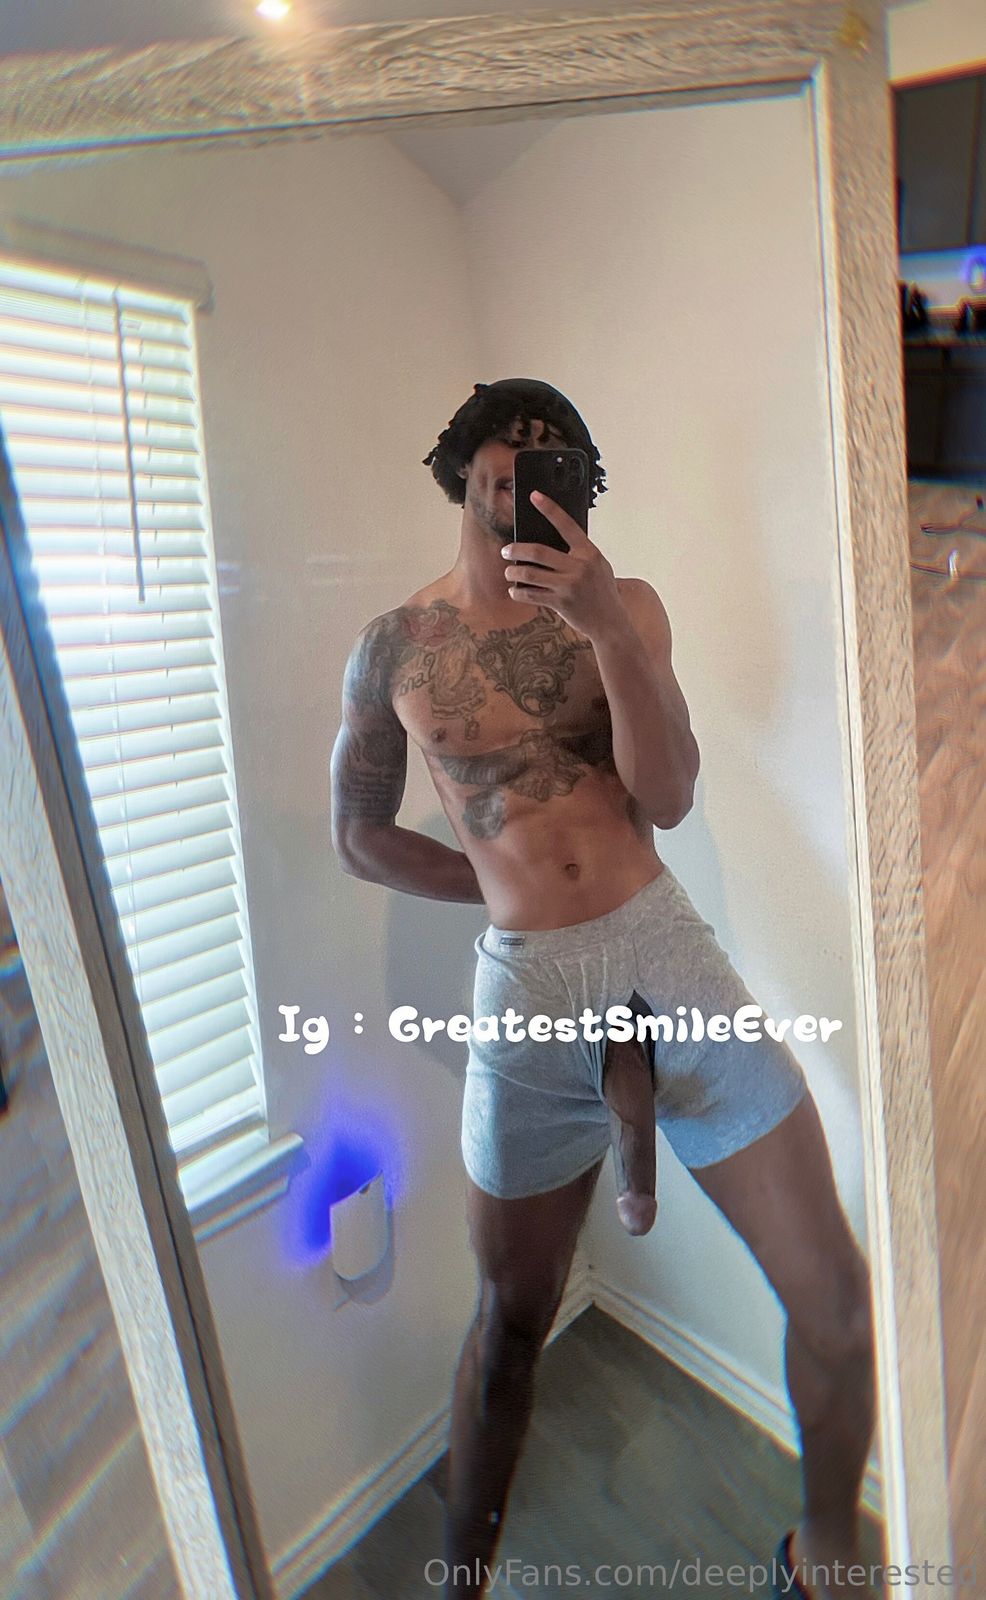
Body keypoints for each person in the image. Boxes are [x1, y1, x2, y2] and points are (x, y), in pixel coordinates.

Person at [330, 379, 878, 1600]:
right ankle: (459, 1583)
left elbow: (667, 795)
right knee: (507, 1331)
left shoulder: (625, 605)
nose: (527, 461)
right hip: (527, 987)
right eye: (507, 441)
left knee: (836, 1302)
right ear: (460, 463)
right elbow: (357, 836)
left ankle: (824, 1562)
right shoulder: (394, 648)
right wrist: (492, 880)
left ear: (577, 485)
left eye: (554, 450)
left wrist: (608, 633)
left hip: (659, 947)